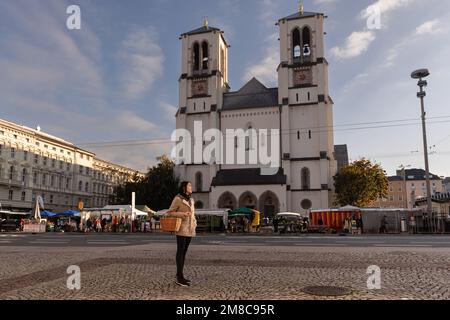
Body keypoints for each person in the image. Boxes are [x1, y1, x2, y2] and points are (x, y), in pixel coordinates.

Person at [167, 181, 197, 287]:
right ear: (184, 187)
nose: (191, 187)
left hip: (190, 229)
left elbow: (193, 214)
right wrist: (183, 214)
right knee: (180, 252)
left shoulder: (191, 200)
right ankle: (179, 277)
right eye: (189, 185)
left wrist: (194, 223)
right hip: (181, 228)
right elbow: (170, 212)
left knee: (184, 252)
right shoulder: (178, 199)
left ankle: (180, 275)